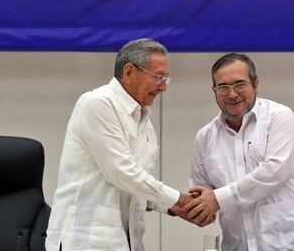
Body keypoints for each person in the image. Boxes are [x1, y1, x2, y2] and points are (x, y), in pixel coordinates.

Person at [46, 38, 193, 251]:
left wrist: (172, 207)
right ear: (129, 71)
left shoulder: (144, 121)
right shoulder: (97, 104)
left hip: (126, 240)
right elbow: (121, 173)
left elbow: (137, 186)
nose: (163, 87)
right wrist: (178, 199)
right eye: (158, 77)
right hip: (83, 240)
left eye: (166, 78)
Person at [184, 53, 294, 251]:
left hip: (291, 245)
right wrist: (195, 209)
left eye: (240, 84)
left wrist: (217, 198)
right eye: (223, 86)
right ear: (214, 90)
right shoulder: (204, 137)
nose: (232, 94)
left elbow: (275, 171)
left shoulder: (279, 118)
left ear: (255, 84)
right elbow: (201, 192)